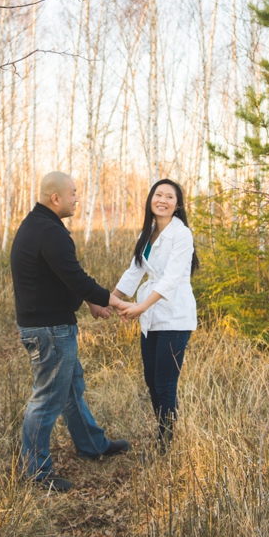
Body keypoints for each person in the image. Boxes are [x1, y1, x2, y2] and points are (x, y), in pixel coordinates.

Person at [11, 172, 133, 493]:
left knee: (69, 390)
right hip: (49, 331)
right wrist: (113, 301)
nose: (77, 199)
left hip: (49, 325)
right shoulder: (49, 232)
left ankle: (92, 445)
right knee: (49, 398)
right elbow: (75, 278)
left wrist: (91, 302)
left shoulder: (39, 226)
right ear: (56, 199)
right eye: (74, 194)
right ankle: (34, 471)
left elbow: (62, 279)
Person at [111, 179, 199, 451]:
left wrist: (140, 307)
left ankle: (167, 443)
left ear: (177, 204)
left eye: (169, 197)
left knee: (165, 381)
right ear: (150, 199)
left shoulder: (181, 234)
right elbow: (135, 270)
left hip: (174, 315)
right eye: (158, 194)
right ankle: (165, 434)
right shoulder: (149, 232)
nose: (162, 200)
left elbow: (171, 279)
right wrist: (110, 300)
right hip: (152, 316)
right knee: (151, 379)